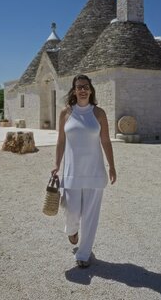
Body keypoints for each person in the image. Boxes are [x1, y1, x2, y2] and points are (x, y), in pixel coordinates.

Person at [51, 74, 116, 268]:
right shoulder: (66, 113)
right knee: (71, 211)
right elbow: (61, 141)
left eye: (86, 87)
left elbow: (105, 140)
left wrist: (112, 166)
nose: (82, 90)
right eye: (79, 87)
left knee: (90, 215)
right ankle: (72, 230)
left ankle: (84, 253)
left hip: (95, 172)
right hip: (71, 172)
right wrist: (56, 164)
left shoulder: (99, 113)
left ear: (90, 89)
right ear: (74, 90)